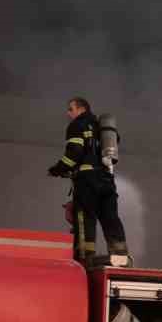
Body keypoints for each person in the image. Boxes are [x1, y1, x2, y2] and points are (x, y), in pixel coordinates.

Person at [48, 96, 130, 266]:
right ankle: (120, 255)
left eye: (71, 109)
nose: (68, 113)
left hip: (87, 181)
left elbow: (75, 152)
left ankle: (85, 257)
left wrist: (58, 169)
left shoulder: (77, 125)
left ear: (81, 109)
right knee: (110, 217)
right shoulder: (103, 127)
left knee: (85, 218)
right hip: (107, 180)